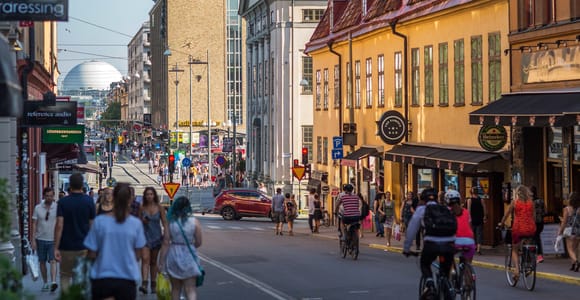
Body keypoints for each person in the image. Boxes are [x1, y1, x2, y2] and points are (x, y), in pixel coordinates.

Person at [84, 182, 146, 300]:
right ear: (130, 200)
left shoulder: (100, 222)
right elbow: (138, 255)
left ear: (114, 198)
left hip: (102, 276)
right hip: (127, 277)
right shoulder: (135, 224)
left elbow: (91, 253)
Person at [403, 187, 456, 299]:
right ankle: (447, 288)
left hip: (431, 243)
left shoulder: (422, 209)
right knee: (445, 272)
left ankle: (430, 283)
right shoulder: (445, 208)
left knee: (425, 263)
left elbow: (412, 229)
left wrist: (407, 248)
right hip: (448, 245)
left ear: (423, 200)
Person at [54, 173, 96, 293]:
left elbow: (59, 225)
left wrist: (56, 247)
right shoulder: (89, 201)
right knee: (80, 277)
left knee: (65, 275)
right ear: (82, 185)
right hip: (84, 246)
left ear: (70, 186)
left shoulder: (63, 202)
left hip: (66, 246)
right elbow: (92, 225)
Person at [158, 196, 203, 300]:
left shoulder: (171, 222)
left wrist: (161, 262)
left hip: (173, 254)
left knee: (175, 289)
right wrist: (191, 246)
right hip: (189, 256)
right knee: (190, 289)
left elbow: (166, 242)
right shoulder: (194, 222)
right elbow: (199, 242)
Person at [499, 185, 536, 282]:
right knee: (527, 244)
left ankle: (517, 270)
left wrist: (501, 223)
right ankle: (528, 262)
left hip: (518, 228)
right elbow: (533, 216)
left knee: (514, 250)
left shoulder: (515, 203)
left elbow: (506, 214)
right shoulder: (531, 203)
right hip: (530, 228)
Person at [139, 187, 169, 294]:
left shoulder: (159, 207)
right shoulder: (141, 208)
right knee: (145, 259)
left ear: (154, 195)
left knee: (153, 261)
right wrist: (142, 220)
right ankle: (144, 283)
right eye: (147, 194)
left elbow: (165, 222)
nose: (149, 196)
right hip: (144, 237)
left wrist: (166, 233)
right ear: (145, 196)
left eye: (151, 194)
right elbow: (137, 222)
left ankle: (153, 283)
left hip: (156, 237)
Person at [31, 187, 58, 292]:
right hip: (40, 238)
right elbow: (34, 224)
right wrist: (33, 239)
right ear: (44, 196)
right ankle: (45, 282)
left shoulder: (57, 207)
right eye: (47, 196)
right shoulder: (38, 208)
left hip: (53, 239)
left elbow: (60, 223)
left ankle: (53, 282)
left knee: (53, 260)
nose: (49, 198)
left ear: (53, 196)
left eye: (51, 196)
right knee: (42, 261)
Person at [446, 190, 475, 265]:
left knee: (447, 257)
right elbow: (470, 226)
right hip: (470, 242)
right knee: (468, 263)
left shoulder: (447, 212)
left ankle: (451, 271)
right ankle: (469, 273)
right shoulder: (466, 212)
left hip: (455, 241)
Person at [557, 192, 580, 272]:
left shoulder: (567, 209)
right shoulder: (579, 209)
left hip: (570, 231)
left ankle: (576, 262)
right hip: (578, 230)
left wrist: (560, 231)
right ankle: (573, 265)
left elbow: (564, 222)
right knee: (575, 248)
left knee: (570, 249)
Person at [467, 186, 487, 254]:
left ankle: (473, 247)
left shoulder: (469, 200)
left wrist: (469, 219)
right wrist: (484, 216)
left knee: (472, 234)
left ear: (471, 192)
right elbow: (484, 209)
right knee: (479, 234)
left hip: (472, 219)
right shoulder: (481, 200)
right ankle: (478, 249)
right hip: (479, 219)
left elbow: (468, 210)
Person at [531, 186, 545, 263]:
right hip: (540, 222)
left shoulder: (530, 202)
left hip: (533, 222)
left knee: (534, 239)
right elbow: (544, 212)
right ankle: (538, 255)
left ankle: (538, 255)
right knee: (537, 238)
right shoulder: (541, 201)